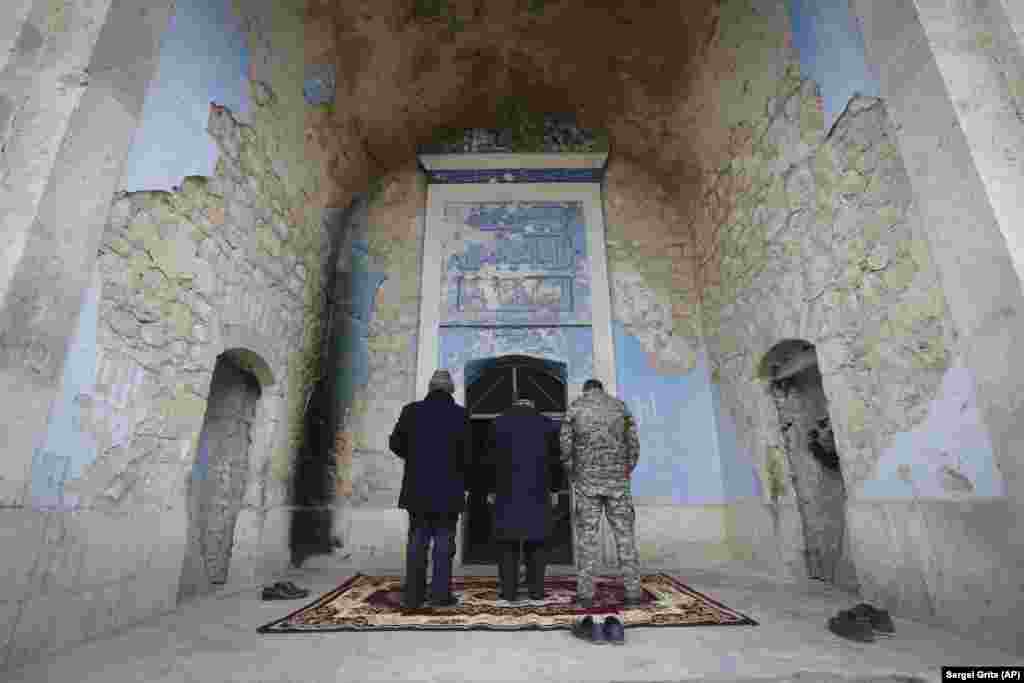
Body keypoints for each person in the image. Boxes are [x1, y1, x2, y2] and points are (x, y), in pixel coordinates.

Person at [389, 369, 470, 608]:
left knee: (417, 541)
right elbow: (468, 455)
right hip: (449, 489)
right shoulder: (460, 415)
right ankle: (440, 595)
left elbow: (396, 444)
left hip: (417, 488)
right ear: (451, 390)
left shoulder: (411, 411)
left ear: (430, 388)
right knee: (444, 543)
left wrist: (414, 457)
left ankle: (413, 595)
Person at [559, 378, 642, 608]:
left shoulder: (576, 407)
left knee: (587, 539)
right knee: (625, 538)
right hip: (618, 484)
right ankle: (633, 592)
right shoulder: (620, 407)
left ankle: (586, 594)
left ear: (586, 390)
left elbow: (565, 447)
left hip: (587, 483)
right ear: (601, 389)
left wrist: (573, 473)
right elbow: (634, 445)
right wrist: (624, 471)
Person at [486, 397, 561, 601]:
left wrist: (490, 489)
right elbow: (556, 461)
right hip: (538, 492)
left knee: (507, 544)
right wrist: (555, 489)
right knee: (536, 543)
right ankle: (536, 591)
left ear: (514, 405)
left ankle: (509, 592)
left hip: (505, 492)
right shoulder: (546, 424)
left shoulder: (498, 422)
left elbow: (489, 460)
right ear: (532, 406)